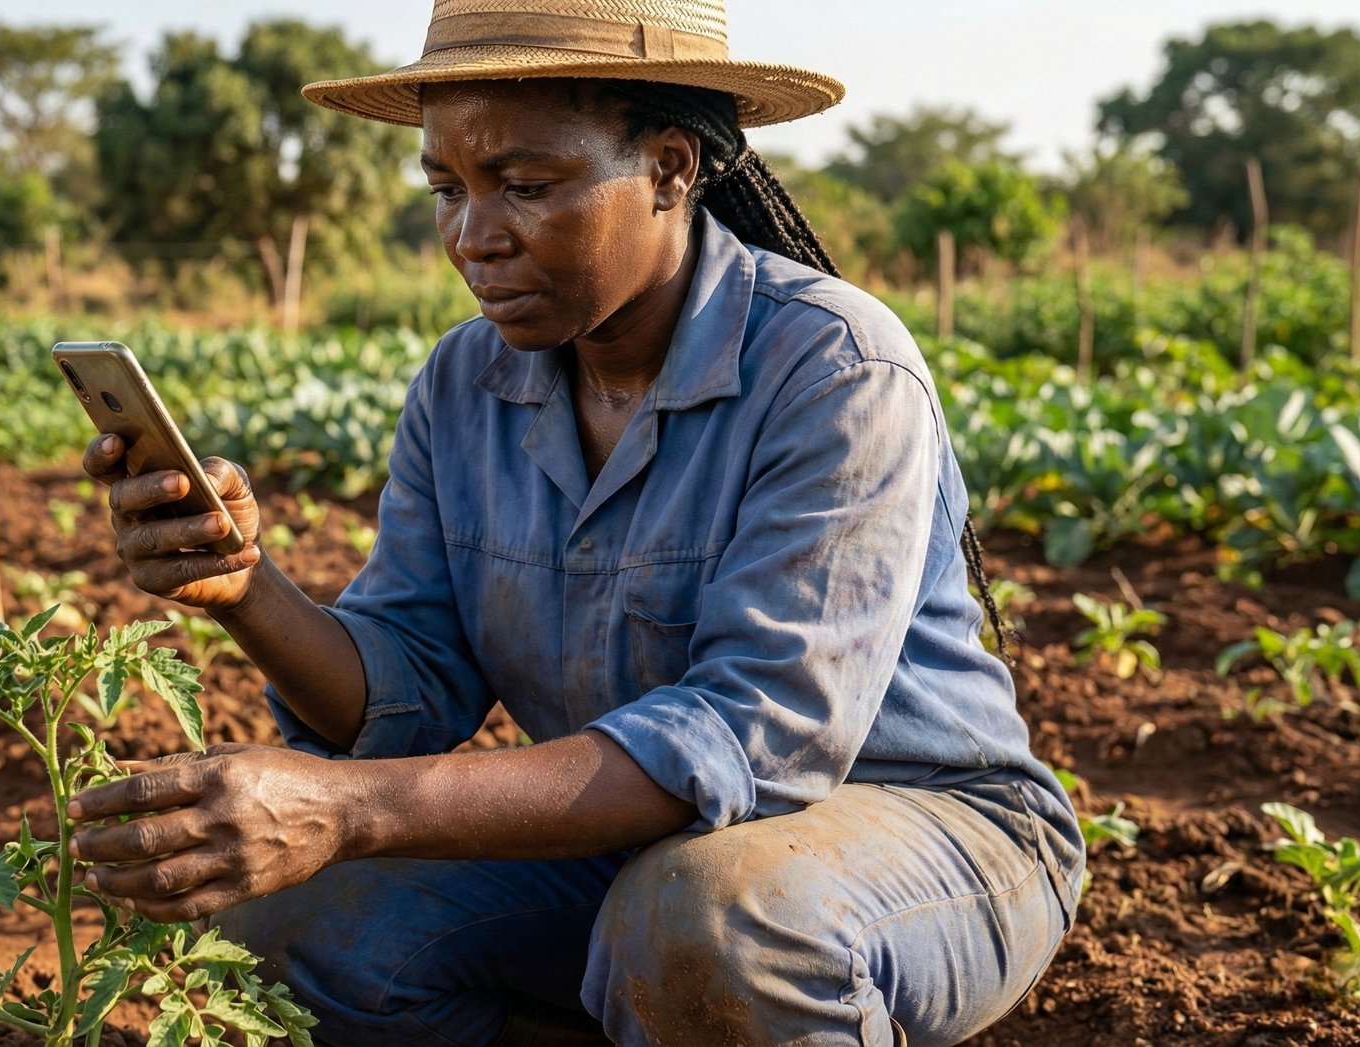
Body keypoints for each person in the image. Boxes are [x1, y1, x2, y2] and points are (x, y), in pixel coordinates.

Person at [65, 2, 1083, 1043]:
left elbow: (751, 739)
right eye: (446, 189)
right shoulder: (466, 384)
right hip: (637, 848)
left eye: (526, 186)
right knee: (289, 918)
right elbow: (409, 688)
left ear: (673, 170)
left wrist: (347, 807)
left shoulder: (832, 366)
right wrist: (247, 588)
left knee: (707, 920)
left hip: (916, 841)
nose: (472, 236)